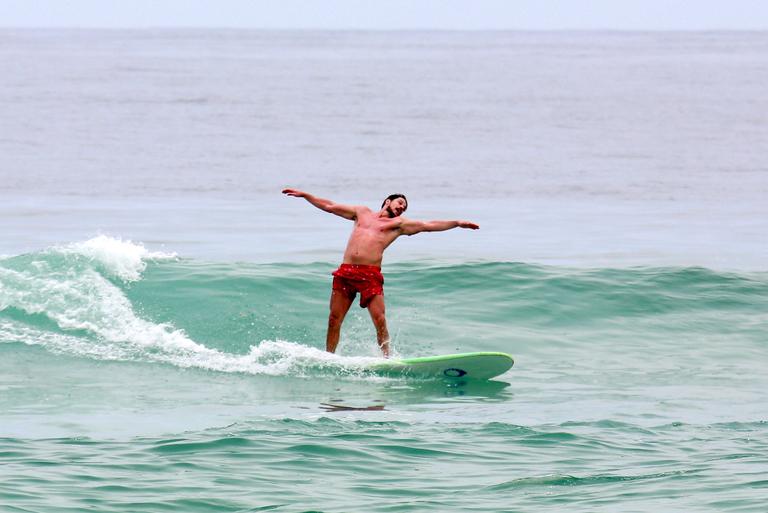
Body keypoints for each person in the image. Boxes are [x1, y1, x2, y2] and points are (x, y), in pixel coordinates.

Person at [282, 188, 479, 358]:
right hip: (346, 272)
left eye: (404, 207)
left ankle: (386, 359)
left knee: (380, 320)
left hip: (370, 275)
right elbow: (329, 205)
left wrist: (457, 223)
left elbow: (429, 225)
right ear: (388, 201)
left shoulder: (398, 225)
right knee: (334, 319)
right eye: (400, 203)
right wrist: (306, 195)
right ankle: (329, 357)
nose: (402, 207)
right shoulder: (361, 212)